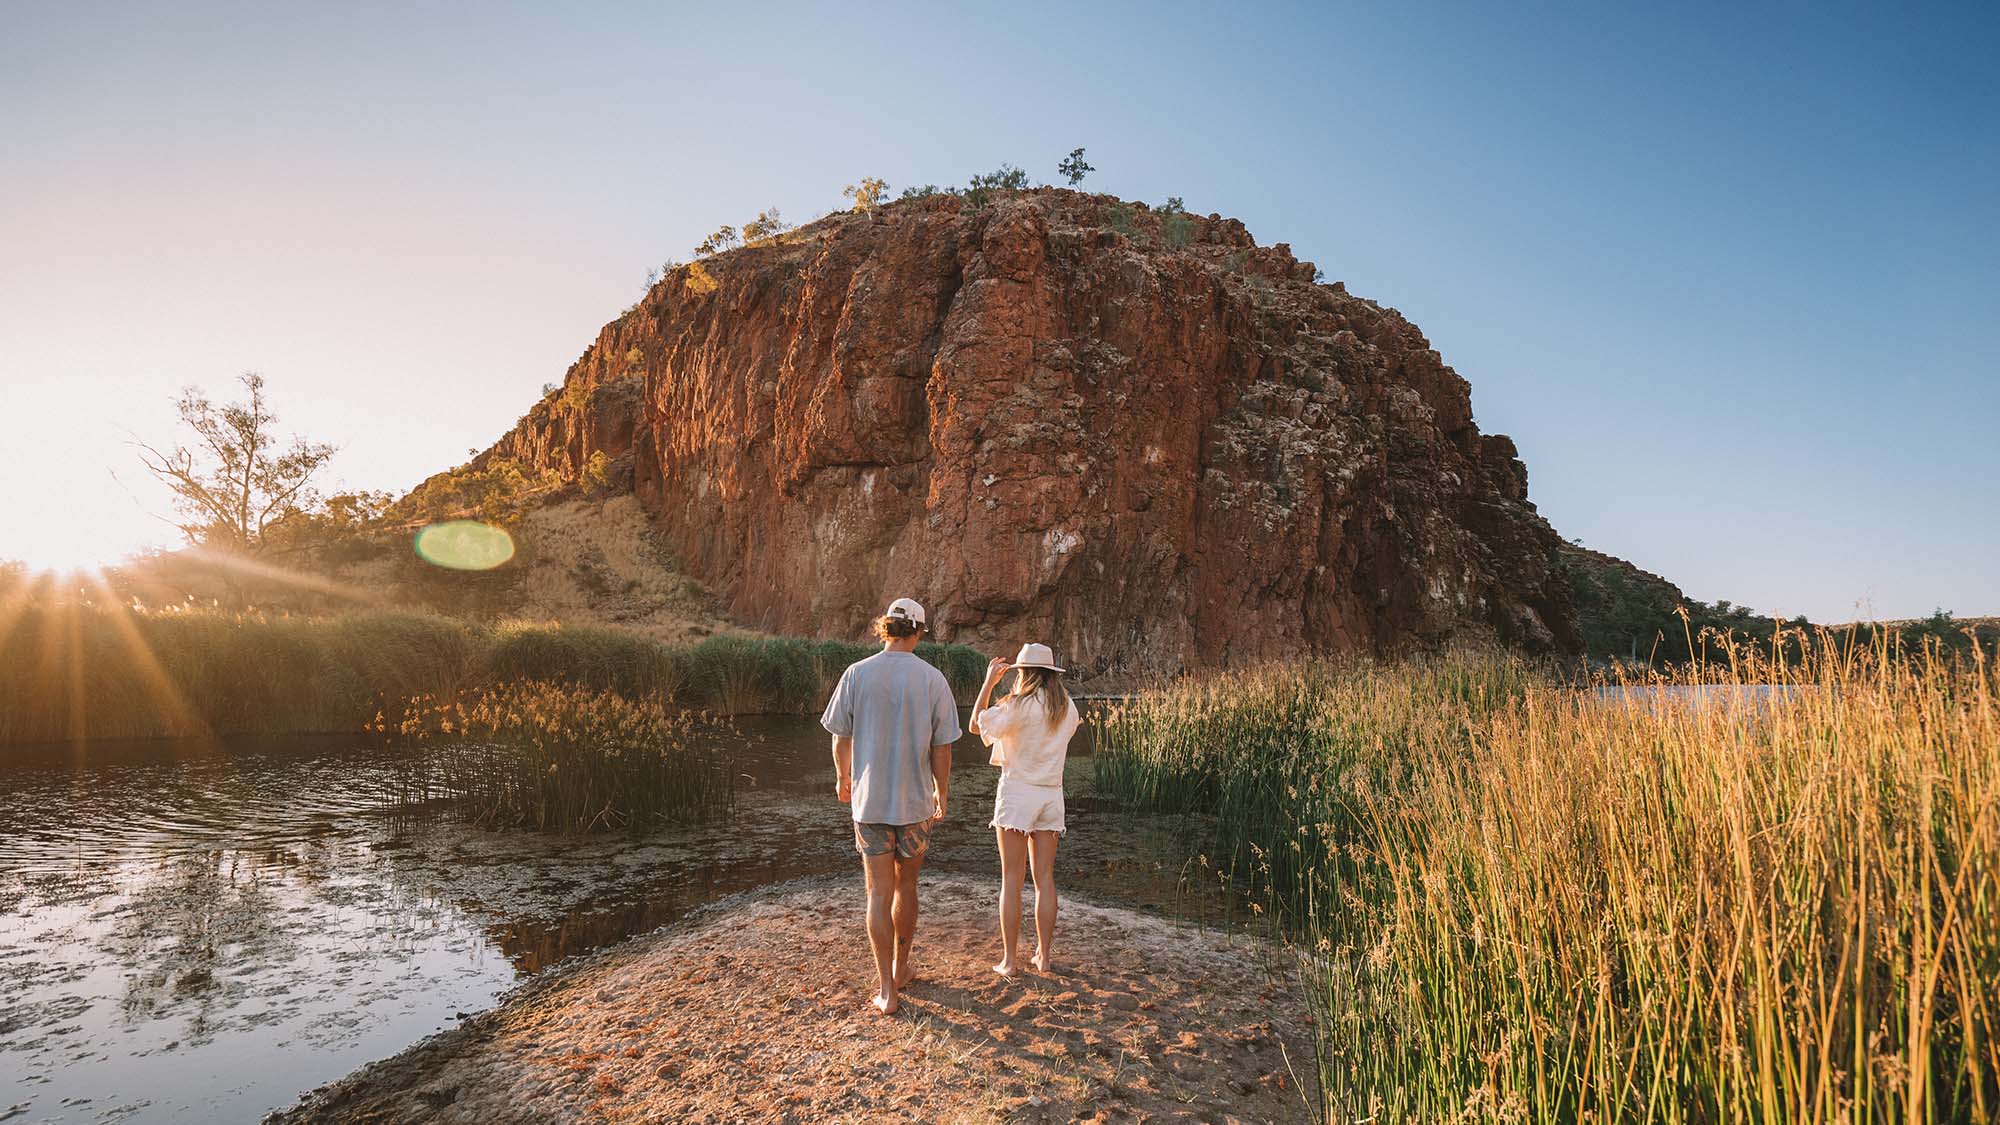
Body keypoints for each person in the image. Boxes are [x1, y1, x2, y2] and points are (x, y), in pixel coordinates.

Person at [820, 597, 962, 1015]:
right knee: (907, 886)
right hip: (916, 804)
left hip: (869, 803)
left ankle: (887, 989)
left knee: (878, 891)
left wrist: (843, 777)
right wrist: (942, 791)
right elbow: (942, 748)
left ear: (885, 629)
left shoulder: (856, 673)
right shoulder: (933, 679)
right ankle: (901, 967)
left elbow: (839, 737)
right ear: (918, 632)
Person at [968, 642, 1080, 976]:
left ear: (1025, 673)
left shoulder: (1017, 706)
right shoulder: (1068, 708)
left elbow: (976, 725)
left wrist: (989, 683)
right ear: (1050, 674)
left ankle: (1009, 961)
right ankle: (1043, 957)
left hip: (1017, 796)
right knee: (1044, 879)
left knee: (1012, 880)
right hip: (1051, 796)